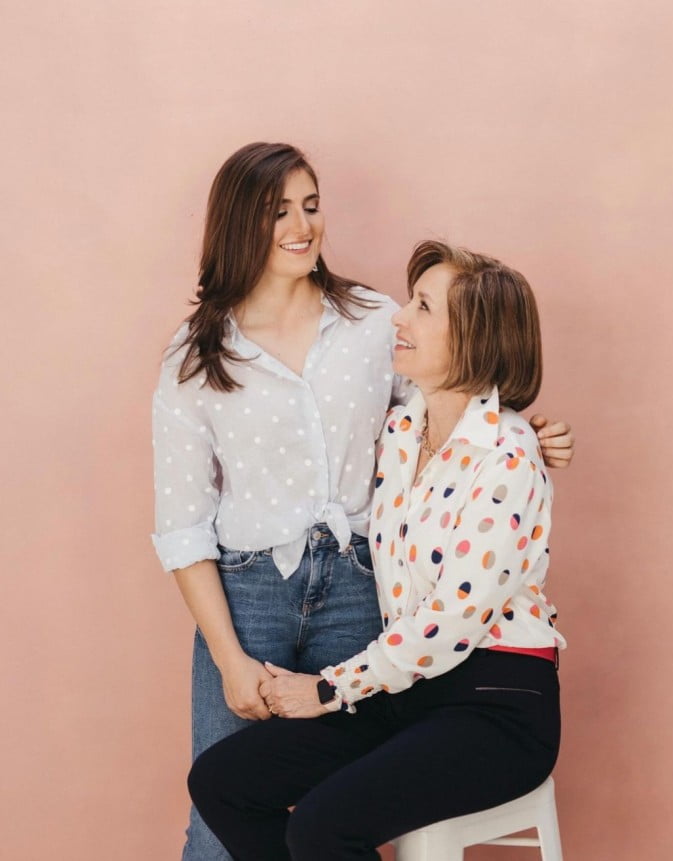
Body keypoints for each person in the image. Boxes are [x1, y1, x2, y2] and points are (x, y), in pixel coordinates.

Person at [152, 143, 574, 860]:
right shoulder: (205, 357)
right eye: (276, 209)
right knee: (220, 797)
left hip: (378, 604)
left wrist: (519, 433)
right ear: (234, 223)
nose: (301, 224)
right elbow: (183, 524)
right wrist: (231, 660)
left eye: (311, 206)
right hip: (256, 591)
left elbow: (468, 396)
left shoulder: (374, 324)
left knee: (329, 817)